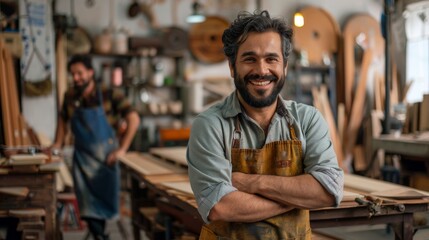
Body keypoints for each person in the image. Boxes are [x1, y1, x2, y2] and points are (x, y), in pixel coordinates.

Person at [186, 10, 344, 239]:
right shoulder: (210, 125)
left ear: (285, 67)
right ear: (232, 67)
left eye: (271, 59)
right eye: (250, 59)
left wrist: (250, 182)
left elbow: (328, 190)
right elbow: (221, 206)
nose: (261, 70)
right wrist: (296, 198)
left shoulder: (308, 120)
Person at [51, 55, 140, 240]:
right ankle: (100, 235)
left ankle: (100, 235)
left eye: (79, 73)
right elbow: (62, 120)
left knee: (105, 206)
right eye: (73, 74)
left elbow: (134, 119)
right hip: (82, 162)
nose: (76, 78)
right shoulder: (70, 96)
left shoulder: (109, 93)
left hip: (106, 162)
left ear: (91, 72)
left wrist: (122, 149)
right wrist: (56, 145)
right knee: (87, 208)